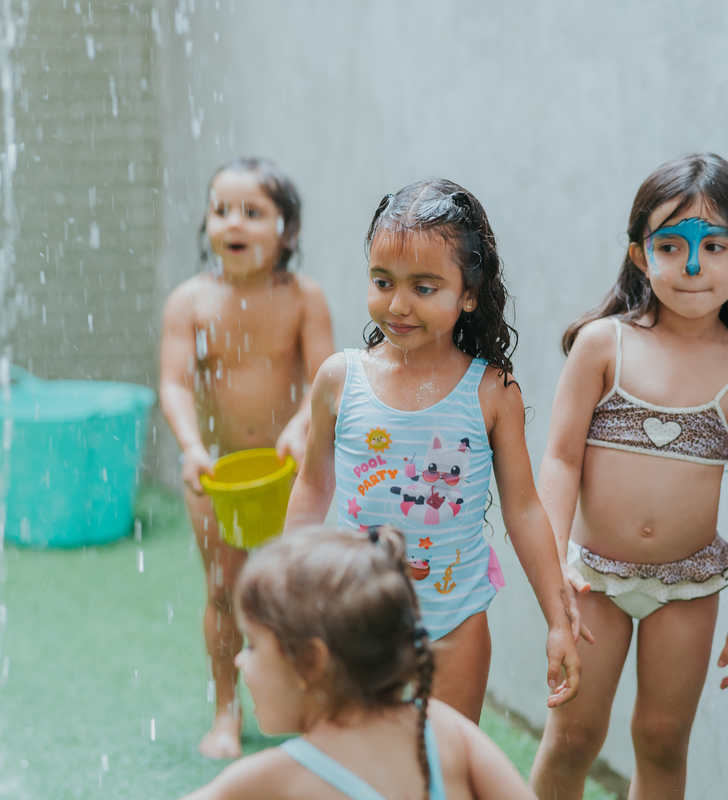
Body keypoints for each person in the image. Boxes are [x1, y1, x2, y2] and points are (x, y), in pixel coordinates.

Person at [285, 178, 585, 722]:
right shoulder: (339, 379)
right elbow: (313, 484)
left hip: (456, 624)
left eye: (424, 288)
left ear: (468, 294)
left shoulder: (491, 392)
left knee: (445, 760)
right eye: (382, 281)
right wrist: (288, 587)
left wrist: (557, 620)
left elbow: (523, 508)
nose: (398, 305)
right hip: (355, 618)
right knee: (362, 759)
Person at [529, 153, 728, 800]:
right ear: (641, 256)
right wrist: (553, 570)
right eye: (670, 246)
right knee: (573, 736)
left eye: (714, 246)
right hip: (593, 581)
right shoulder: (603, 345)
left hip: (688, 587)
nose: (692, 267)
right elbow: (560, 460)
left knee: (664, 739)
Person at [159, 157, 334, 758]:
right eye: (221, 210)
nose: (233, 222)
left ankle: (307, 707)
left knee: (298, 593)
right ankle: (226, 711)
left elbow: (325, 378)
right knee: (223, 591)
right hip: (218, 474)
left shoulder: (303, 298)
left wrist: (301, 426)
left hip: (290, 472)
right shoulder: (191, 301)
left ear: (287, 231)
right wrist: (192, 448)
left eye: (252, 212)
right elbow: (174, 383)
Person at [177, 526, 537, 800]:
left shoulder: (271, 780)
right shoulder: (444, 730)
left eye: (253, 645)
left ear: (310, 662)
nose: (240, 659)